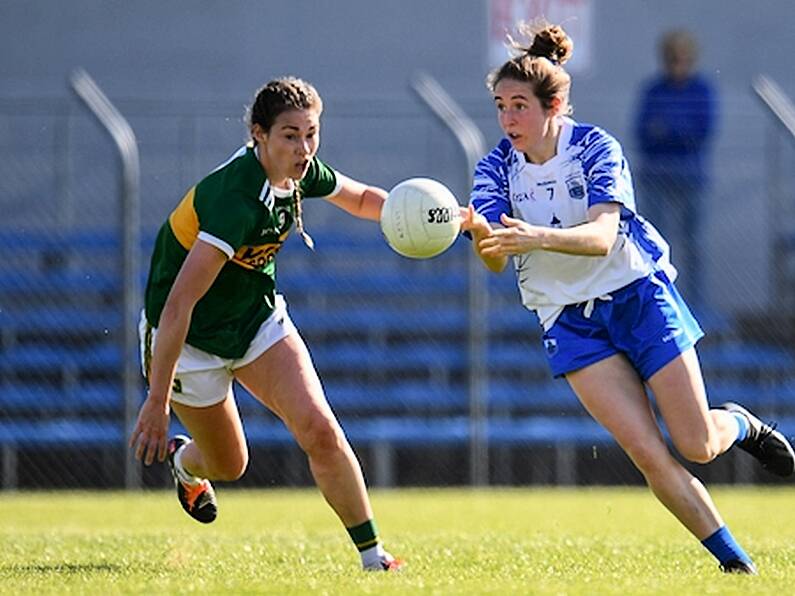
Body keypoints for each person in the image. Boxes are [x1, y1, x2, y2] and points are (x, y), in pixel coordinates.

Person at [461, 20, 794, 575]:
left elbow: (602, 238)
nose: (508, 119)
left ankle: (738, 424)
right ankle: (738, 568)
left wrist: (533, 236)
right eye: (500, 106)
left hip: (636, 296)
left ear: (556, 105)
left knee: (696, 443)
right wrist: (483, 238)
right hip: (569, 321)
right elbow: (496, 260)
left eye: (519, 105)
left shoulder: (594, 146)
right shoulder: (495, 166)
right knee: (646, 452)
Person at [129, 77, 401, 572]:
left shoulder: (298, 173)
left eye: (311, 134)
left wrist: (440, 217)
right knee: (230, 465)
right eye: (290, 136)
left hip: (255, 321)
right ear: (259, 134)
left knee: (319, 429)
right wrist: (156, 400)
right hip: (191, 341)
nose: (304, 148)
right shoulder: (235, 201)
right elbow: (176, 306)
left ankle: (372, 556)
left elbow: (361, 199)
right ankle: (186, 464)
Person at [633, 30, 717, 309]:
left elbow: (702, 132)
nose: (678, 64)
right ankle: (660, 304)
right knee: (654, 243)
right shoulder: (653, 90)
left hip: (690, 177)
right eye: (673, 59)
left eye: (683, 59)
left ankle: (696, 306)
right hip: (656, 176)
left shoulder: (701, 90)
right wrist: (676, 133)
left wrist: (666, 130)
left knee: (694, 245)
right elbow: (643, 132)